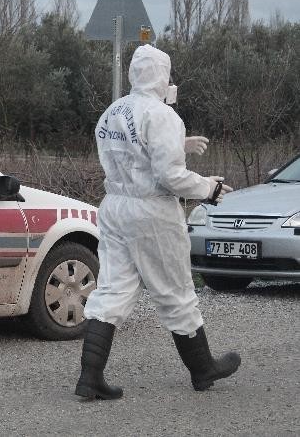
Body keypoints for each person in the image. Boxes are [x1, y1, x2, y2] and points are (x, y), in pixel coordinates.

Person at [75, 44, 241, 400]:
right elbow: (170, 177)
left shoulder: (112, 112)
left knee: (111, 290)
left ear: (135, 72)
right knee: (176, 293)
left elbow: (134, 153)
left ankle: (90, 377)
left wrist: (178, 143)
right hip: (152, 212)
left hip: (116, 208)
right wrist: (208, 188)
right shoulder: (162, 114)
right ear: (162, 75)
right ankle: (202, 368)